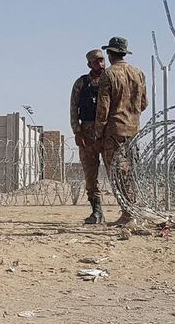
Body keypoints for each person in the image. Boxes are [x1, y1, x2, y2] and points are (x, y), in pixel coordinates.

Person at [95, 36, 149, 226]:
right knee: (130, 172)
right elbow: (144, 103)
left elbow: (103, 107)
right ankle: (131, 212)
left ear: (110, 54)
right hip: (133, 131)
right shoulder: (138, 73)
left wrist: (98, 130)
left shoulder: (108, 75)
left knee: (117, 174)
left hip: (114, 130)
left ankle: (128, 214)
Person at [70, 49, 107, 224]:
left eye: (102, 61)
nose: (100, 65)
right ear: (89, 64)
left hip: (108, 133)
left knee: (117, 173)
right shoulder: (81, 83)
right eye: (96, 62)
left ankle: (126, 211)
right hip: (87, 132)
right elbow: (73, 108)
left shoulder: (111, 80)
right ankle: (97, 211)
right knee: (90, 174)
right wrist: (77, 131)